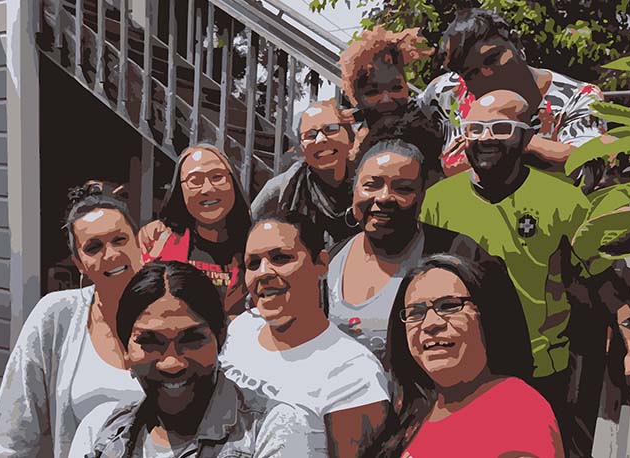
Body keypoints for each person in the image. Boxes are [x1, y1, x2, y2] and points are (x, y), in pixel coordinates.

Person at [420, 89, 630, 455]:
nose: (485, 138)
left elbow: (600, 278)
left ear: (526, 134)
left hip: (543, 368)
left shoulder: (562, 199)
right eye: (475, 128)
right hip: (464, 366)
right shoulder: (439, 200)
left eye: (501, 128)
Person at [69, 261, 323, 458]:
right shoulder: (101, 429)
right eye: (150, 342)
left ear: (220, 338)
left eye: (191, 339)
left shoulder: (272, 428)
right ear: (125, 349)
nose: (172, 363)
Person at [0, 187, 145, 458]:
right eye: (94, 247)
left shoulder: (172, 311)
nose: (111, 254)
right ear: (79, 263)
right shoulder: (56, 315)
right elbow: (10, 430)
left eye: (119, 239)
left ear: (139, 243)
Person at [220, 211, 391, 457]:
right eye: (253, 264)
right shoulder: (240, 330)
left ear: (321, 264)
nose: (263, 273)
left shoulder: (354, 375)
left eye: (280, 258)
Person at [326, 138, 506, 356]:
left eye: (402, 188)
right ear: (354, 190)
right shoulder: (331, 259)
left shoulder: (462, 255)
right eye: (371, 185)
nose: (384, 197)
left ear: (422, 196)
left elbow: (504, 345)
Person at [370, 254, 562, 458]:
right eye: (415, 313)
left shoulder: (517, 410)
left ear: (486, 316)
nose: (431, 323)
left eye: (449, 306)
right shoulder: (415, 412)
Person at [419, 8, 607, 178]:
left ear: (516, 43)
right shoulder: (446, 93)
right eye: (471, 73)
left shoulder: (577, 97)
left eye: (493, 58)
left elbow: (589, 168)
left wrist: (514, 141)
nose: (488, 74)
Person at [139, 144, 251, 317]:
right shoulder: (157, 243)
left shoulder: (255, 249)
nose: (208, 189)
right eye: (195, 181)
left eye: (217, 177)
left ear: (233, 182)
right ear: (180, 190)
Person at [338, 26, 443, 184]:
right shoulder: (347, 141)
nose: (387, 99)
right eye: (373, 92)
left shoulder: (426, 127)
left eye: (396, 88)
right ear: (356, 97)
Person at [250, 100, 360, 248]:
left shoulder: (369, 184)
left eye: (331, 129)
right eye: (310, 135)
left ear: (351, 138)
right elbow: (243, 233)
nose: (320, 140)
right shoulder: (281, 190)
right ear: (302, 148)